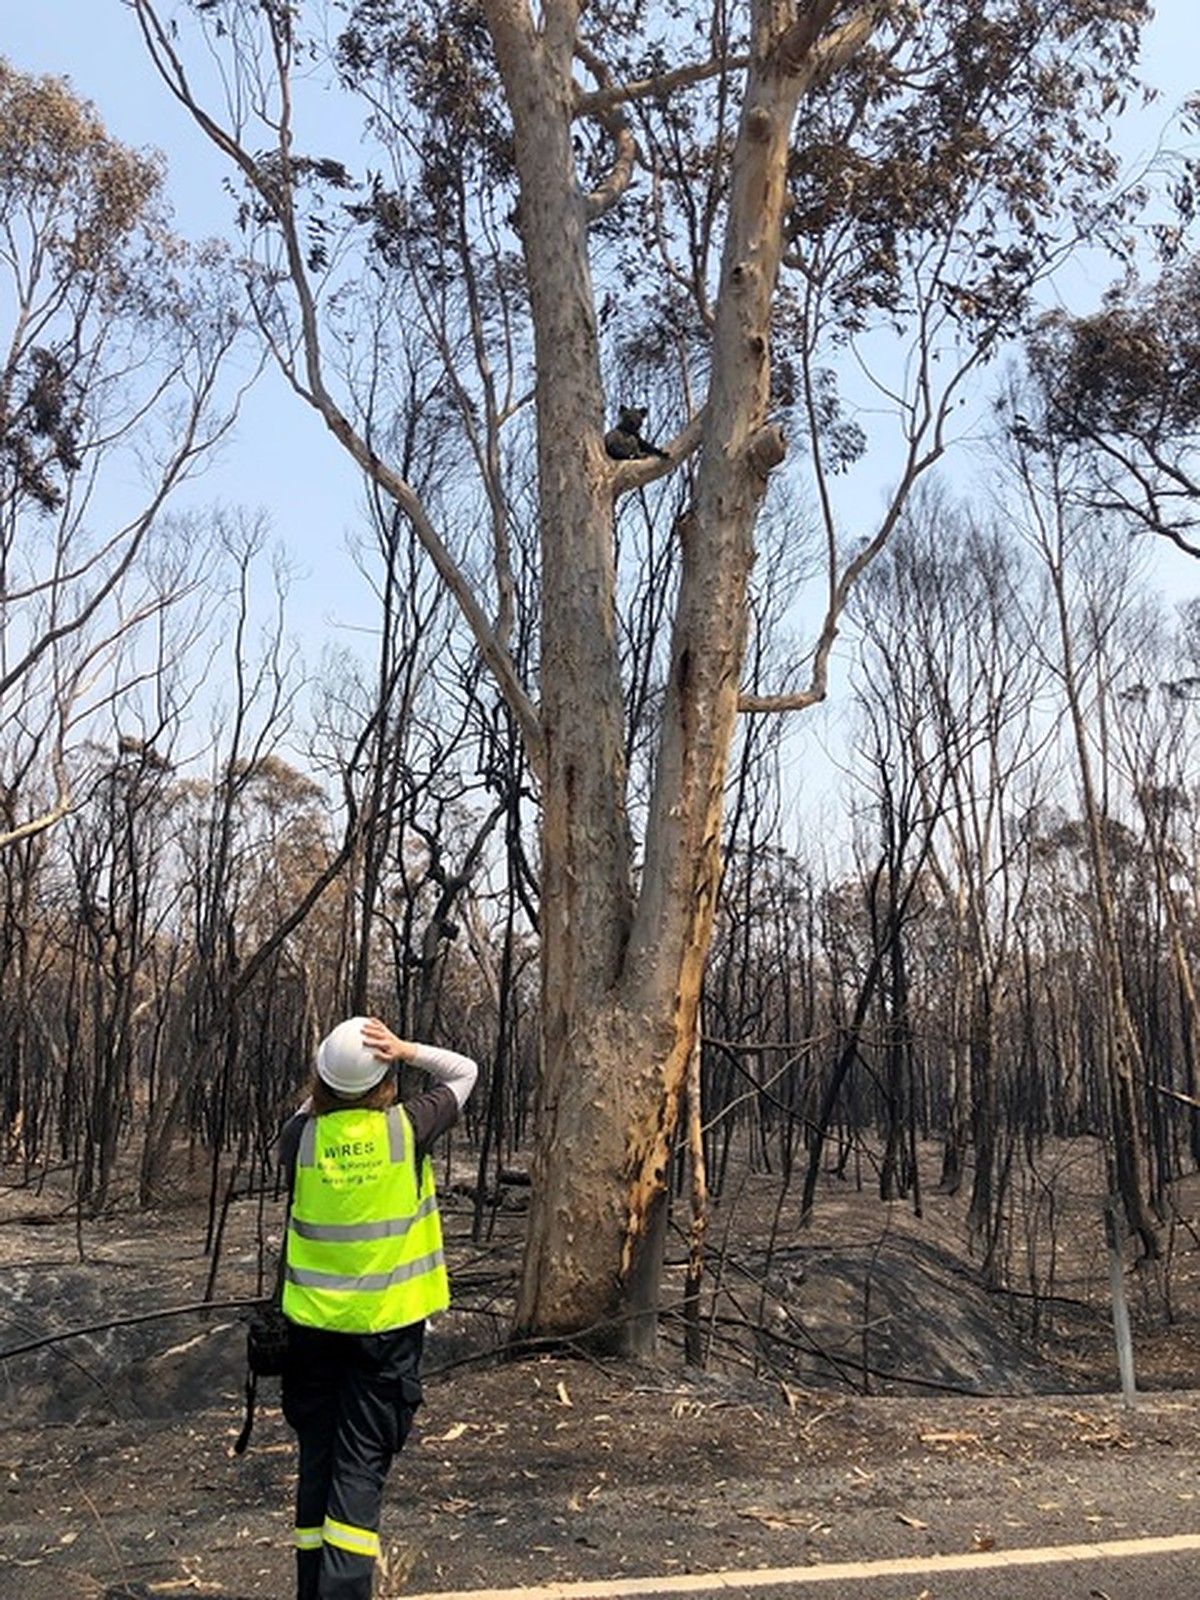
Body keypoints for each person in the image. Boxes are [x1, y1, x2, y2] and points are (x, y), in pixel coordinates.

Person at [277, 1015, 477, 1600]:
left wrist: (332, 1075)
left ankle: (311, 1591)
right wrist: (405, 1048)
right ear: (384, 1079)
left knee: (317, 1461)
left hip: (310, 1330)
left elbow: (308, 1105)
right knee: (359, 1469)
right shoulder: (408, 1127)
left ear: (321, 1079)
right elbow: (464, 1071)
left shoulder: (300, 1138)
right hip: (384, 1333)